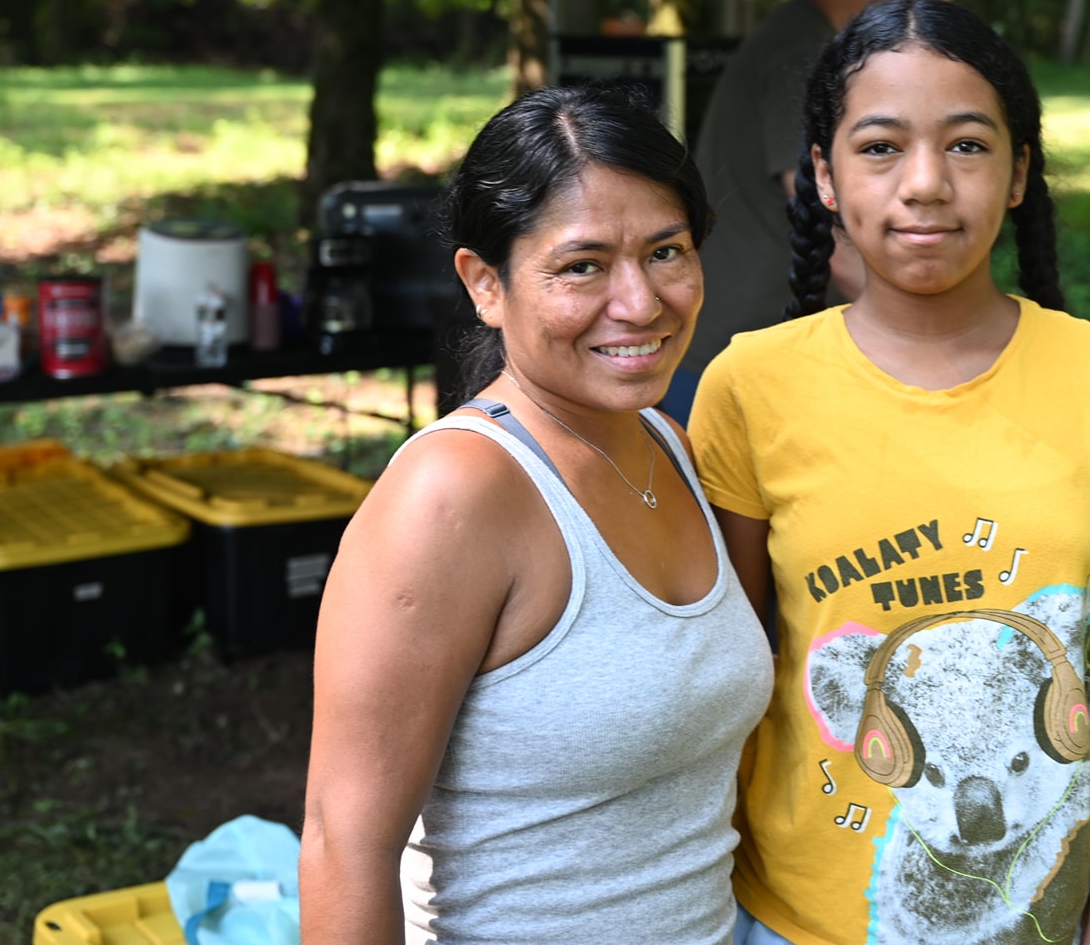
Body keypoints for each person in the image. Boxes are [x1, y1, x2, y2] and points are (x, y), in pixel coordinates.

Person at [695, 0, 1090, 945]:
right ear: (823, 175)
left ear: (1019, 173)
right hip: (790, 923)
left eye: (967, 145)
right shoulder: (748, 388)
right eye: (880, 147)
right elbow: (724, 673)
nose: (925, 183)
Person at [300, 85, 774, 945]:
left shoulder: (668, 445)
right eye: (582, 265)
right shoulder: (452, 495)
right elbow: (344, 843)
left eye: (666, 251)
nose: (640, 302)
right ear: (486, 284)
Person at [672, 0, 972, 419]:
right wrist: (938, 332)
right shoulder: (803, 49)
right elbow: (819, 214)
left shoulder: (810, 40)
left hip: (758, 342)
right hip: (736, 354)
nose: (930, 26)